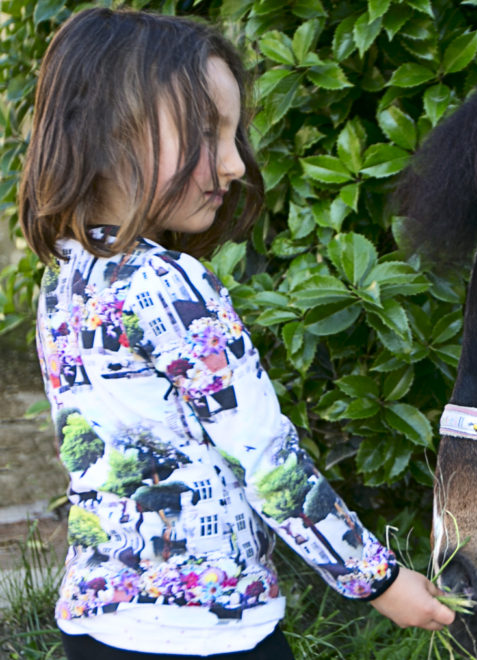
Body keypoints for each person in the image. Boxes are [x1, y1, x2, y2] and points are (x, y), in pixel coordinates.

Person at [19, 8, 454, 659]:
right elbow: (266, 460)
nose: (231, 164)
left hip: (97, 623)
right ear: (109, 132)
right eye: (205, 134)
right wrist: (380, 581)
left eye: (232, 136)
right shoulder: (168, 284)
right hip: (205, 631)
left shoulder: (65, 277)